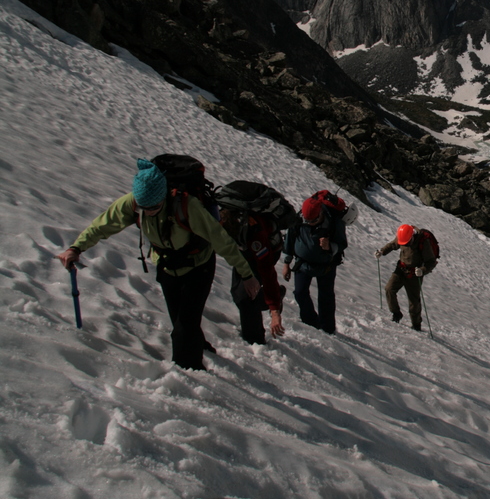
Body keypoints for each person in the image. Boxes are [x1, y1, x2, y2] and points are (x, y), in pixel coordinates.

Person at [56, 158, 259, 370]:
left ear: (163, 196)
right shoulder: (135, 203)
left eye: (154, 207)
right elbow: (103, 225)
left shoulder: (187, 206)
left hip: (199, 267)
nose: (149, 211)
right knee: (181, 320)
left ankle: (190, 374)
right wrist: (76, 248)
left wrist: (247, 275)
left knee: (184, 326)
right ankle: (197, 347)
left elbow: (221, 240)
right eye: (144, 208)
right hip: (167, 267)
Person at [219, 205, 286, 345]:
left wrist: (275, 311)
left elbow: (268, 273)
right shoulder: (221, 222)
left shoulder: (256, 236)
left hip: (265, 254)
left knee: (247, 297)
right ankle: (272, 296)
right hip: (245, 256)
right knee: (238, 293)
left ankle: (255, 340)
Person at [281, 195, 348, 334]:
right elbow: (289, 239)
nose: (309, 223)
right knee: (300, 293)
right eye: (307, 220)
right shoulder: (299, 219)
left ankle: (327, 328)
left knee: (326, 296)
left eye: (313, 220)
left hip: (327, 265)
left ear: (321, 213)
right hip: (303, 263)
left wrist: (330, 246)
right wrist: (286, 263)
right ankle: (310, 323)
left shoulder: (334, 222)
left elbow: (342, 244)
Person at [375, 224, 436, 331]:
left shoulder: (423, 242)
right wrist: (382, 251)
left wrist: (422, 270)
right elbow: (393, 244)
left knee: (414, 302)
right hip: (401, 269)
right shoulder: (403, 236)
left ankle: (416, 324)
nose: (406, 244)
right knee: (389, 289)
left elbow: (431, 261)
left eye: (408, 242)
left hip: (414, 274)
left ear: (412, 236)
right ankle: (396, 313)